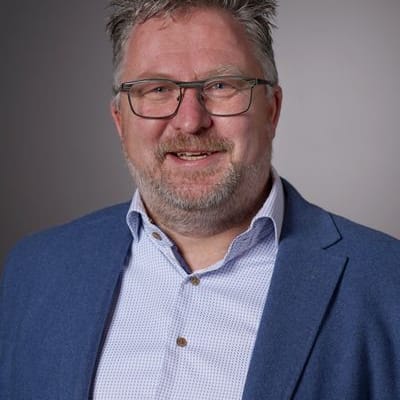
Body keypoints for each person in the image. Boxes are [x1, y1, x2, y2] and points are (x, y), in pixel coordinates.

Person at [1, 0, 399, 399]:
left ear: (271, 110)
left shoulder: (386, 285)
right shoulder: (35, 272)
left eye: (221, 86)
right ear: (120, 120)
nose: (191, 121)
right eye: (157, 89)